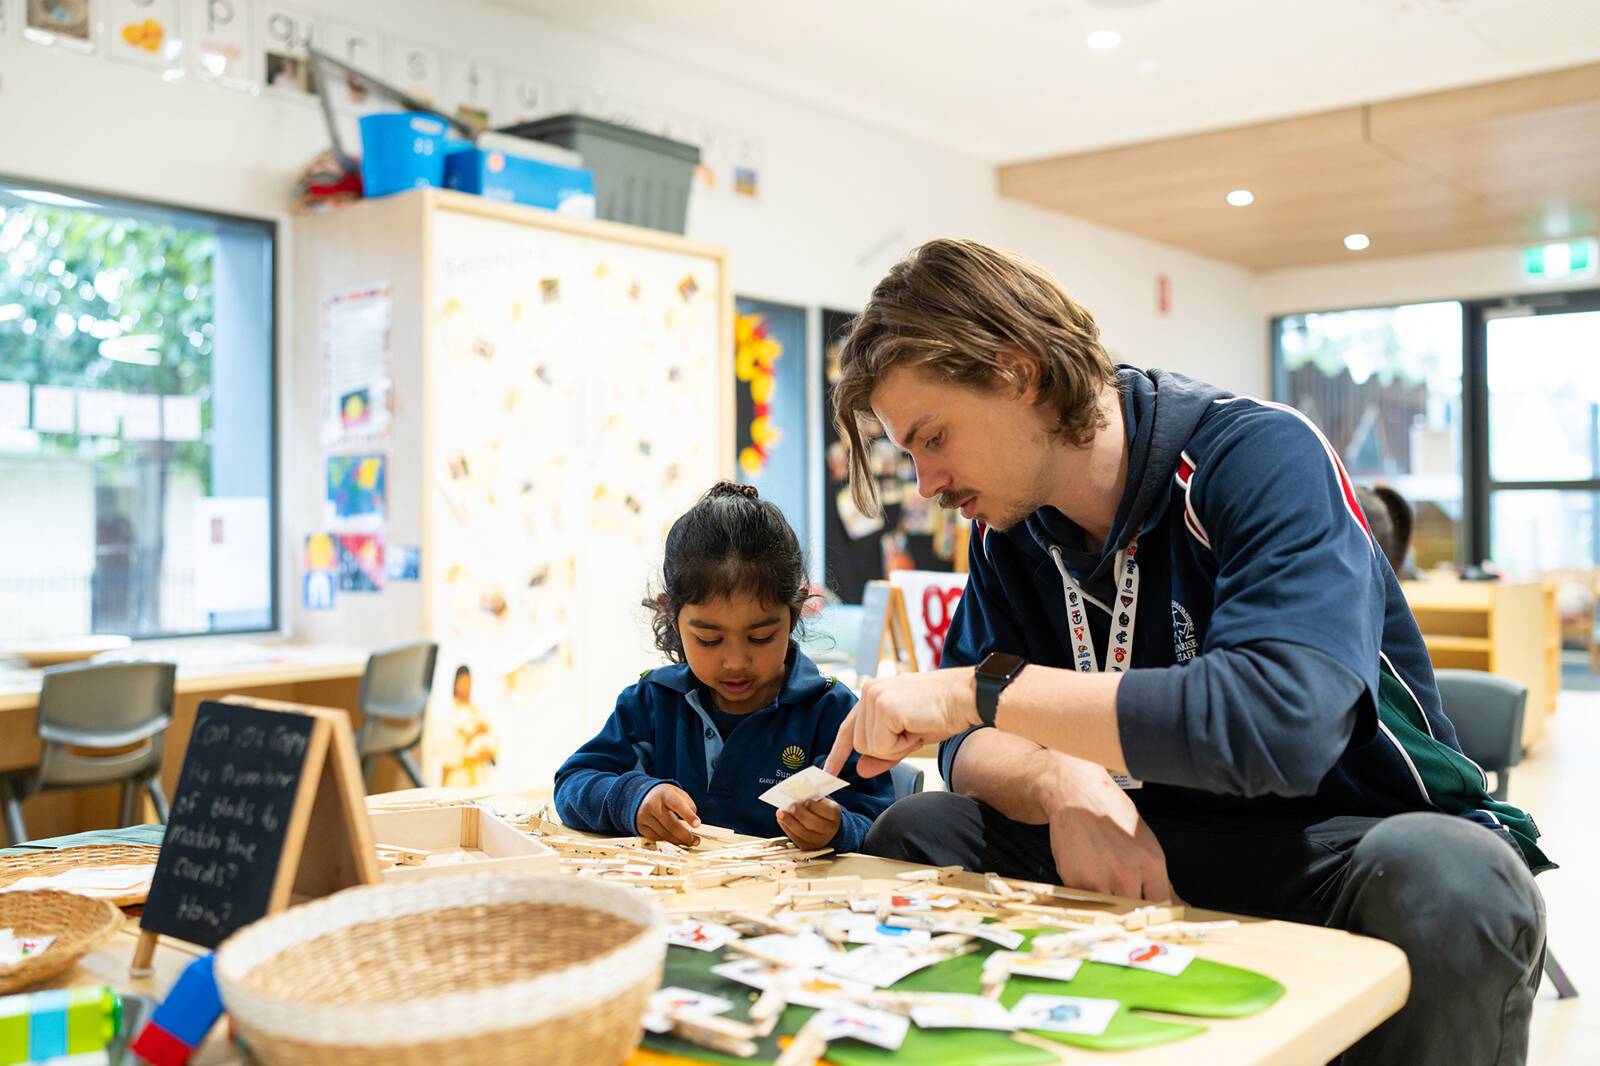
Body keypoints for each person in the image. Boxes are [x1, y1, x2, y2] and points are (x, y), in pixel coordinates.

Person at [820, 239, 1550, 1065]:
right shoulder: (1007, 533)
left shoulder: (1261, 455)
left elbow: (1278, 726)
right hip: (1146, 836)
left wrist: (978, 693)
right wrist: (1059, 782)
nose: (924, 482)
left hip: (1337, 838)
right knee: (921, 828)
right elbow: (964, 747)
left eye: (933, 436)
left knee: (1452, 876)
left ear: (1016, 370)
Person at [555, 482, 893, 851]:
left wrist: (839, 829)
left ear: (794, 614)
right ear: (672, 616)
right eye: (709, 640)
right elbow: (573, 782)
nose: (735, 662)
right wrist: (632, 798)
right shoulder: (653, 703)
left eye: (761, 637)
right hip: (678, 900)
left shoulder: (830, 711)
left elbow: (880, 824)